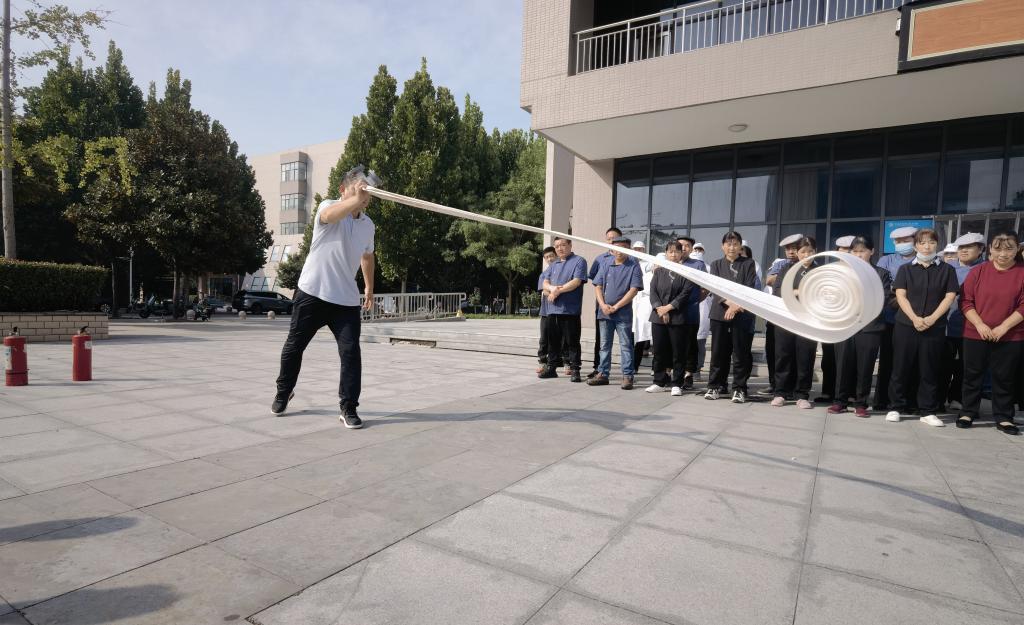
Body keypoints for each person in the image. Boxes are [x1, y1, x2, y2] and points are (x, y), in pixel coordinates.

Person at [272, 167, 374, 429]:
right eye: (357, 189)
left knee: (351, 353)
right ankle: (284, 392)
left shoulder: (368, 225)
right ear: (343, 190)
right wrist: (355, 197)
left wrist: (369, 287)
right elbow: (331, 216)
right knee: (294, 346)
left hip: (345, 301)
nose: (364, 195)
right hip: (313, 293)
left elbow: (367, 256)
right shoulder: (328, 207)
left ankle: (348, 407)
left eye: (366, 191)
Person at [887, 228, 960, 427]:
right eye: (922, 242)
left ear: (937, 244)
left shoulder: (947, 270)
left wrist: (932, 318)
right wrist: (914, 318)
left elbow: (949, 296)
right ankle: (895, 407)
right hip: (906, 325)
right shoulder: (905, 269)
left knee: (930, 368)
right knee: (901, 367)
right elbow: (900, 295)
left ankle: (927, 410)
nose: (927, 246)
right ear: (916, 245)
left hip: (934, 327)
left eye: (931, 242)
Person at [957, 231, 1024, 434]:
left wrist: (1004, 327)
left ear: (1017, 249)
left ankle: (1004, 416)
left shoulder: (1022, 272)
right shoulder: (978, 271)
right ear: (990, 250)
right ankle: (968, 411)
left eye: (1009, 249)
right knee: (972, 374)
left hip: (1011, 334)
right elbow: (966, 301)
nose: (1003, 254)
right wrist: (979, 324)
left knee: (1004, 376)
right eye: (998, 248)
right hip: (975, 332)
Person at [828, 236, 894, 417]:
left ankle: (861, 403)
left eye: (862, 251)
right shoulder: (843, 271)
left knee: (865, 366)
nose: (858, 255)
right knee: (842, 365)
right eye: (855, 251)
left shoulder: (881, 273)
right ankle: (840, 401)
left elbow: (883, 298)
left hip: (870, 326)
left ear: (871, 252)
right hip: (845, 325)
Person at [705, 231, 758, 403]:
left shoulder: (748, 263)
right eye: (728, 244)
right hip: (719, 313)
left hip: (741, 314)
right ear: (723, 246)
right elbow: (714, 287)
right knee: (718, 352)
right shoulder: (716, 264)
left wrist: (736, 307)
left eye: (735, 244)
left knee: (740, 353)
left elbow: (749, 287)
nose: (732, 247)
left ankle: (739, 388)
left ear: (740, 246)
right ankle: (715, 386)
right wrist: (730, 304)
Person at [771, 237, 821, 409]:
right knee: (783, 355)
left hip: (808, 320)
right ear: (797, 253)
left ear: (816, 251)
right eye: (803, 252)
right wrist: (798, 291)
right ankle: (780, 392)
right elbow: (777, 291)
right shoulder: (787, 269)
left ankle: (802, 394)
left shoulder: (820, 270)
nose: (806, 255)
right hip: (786, 318)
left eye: (810, 251)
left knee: (805, 356)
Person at [874, 226, 920, 411]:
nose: (902, 244)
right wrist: (896, 298)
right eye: (898, 241)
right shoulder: (886, 260)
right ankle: (881, 400)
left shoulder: (922, 260)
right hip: (889, 318)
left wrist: (902, 297)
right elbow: (880, 285)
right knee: (887, 360)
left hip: (913, 319)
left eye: (906, 241)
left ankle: (908, 401)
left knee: (910, 361)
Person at [589, 236, 644, 389]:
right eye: (617, 247)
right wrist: (603, 305)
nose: (620, 250)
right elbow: (598, 286)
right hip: (604, 313)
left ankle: (628, 376)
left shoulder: (633, 266)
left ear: (629, 249)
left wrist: (617, 306)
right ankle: (602, 374)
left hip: (623, 314)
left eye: (624, 247)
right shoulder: (605, 264)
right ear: (612, 250)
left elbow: (634, 290)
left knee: (626, 345)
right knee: (604, 345)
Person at [939, 233, 985, 410]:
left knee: (965, 367)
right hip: (946, 325)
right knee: (942, 364)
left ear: (980, 249)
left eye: (969, 247)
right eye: (961, 247)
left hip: (972, 327)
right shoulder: (946, 268)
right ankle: (939, 399)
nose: (964, 251)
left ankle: (957, 398)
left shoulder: (985, 269)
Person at [646, 241, 696, 396]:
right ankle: (659, 381)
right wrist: (660, 309)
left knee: (678, 352)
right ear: (666, 253)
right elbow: (653, 292)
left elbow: (685, 294)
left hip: (678, 317)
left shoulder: (686, 272)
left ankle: (677, 383)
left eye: (677, 251)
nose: (673, 254)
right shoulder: (659, 272)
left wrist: (668, 308)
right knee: (659, 350)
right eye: (670, 251)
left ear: (681, 253)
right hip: (658, 317)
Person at [540, 237, 588, 382]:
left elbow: (576, 281)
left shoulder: (579, 261)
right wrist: (552, 288)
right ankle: (552, 368)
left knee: (572, 342)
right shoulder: (553, 264)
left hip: (570, 310)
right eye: (557, 246)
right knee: (553, 342)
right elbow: (545, 282)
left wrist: (557, 291)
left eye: (563, 245)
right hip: (552, 310)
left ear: (570, 245)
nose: (560, 248)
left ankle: (575, 369)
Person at [761, 234, 803, 397]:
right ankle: (776, 384)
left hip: (799, 316)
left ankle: (794, 387)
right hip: (778, 313)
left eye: (794, 248)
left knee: (795, 353)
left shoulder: (807, 264)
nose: (791, 252)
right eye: (788, 249)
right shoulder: (781, 264)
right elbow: (769, 280)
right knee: (775, 351)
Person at [815, 235, 855, 403]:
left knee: (849, 359)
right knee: (829, 358)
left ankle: (850, 393)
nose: (845, 253)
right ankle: (828, 392)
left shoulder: (858, 270)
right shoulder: (829, 269)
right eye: (842, 250)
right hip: (830, 320)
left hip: (851, 321)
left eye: (849, 250)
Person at [587, 227, 622, 379]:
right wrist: (602, 302)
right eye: (609, 238)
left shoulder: (629, 258)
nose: (611, 241)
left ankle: (629, 371)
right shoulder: (600, 259)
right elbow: (595, 281)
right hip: (602, 306)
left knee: (626, 341)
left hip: (623, 307)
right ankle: (598, 368)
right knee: (601, 339)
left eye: (615, 238)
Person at [677, 236, 708, 388]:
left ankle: (688, 374)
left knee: (690, 343)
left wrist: (696, 300)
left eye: (687, 245)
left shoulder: (698, 265)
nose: (683, 248)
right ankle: (673, 373)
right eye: (680, 245)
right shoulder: (669, 262)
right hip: (672, 311)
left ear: (691, 249)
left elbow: (706, 287)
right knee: (673, 343)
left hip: (690, 311)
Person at [631, 239, 654, 372]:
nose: (638, 251)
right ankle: (633, 366)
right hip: (634, 302)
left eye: (640, 249)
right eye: (636, 249)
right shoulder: (629, 263)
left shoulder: (648, 264)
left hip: (648, 303)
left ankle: (654, 367)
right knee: (636, 334)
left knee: (648, 335)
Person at [535, 246, 558, 374]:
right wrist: (553, 293)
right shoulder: (544, 274)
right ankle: (543, 362)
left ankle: (566, 363)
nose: (550, 259)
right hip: (546, 311)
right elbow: (544, 291)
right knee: (544, 339)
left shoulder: (562, 271)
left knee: (562, 339)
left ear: (556, 255)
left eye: (551, 256)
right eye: (547, 257)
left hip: (560, 311)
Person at [691, 242, 712, 375]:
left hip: (703, 305)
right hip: (688, 305)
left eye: (700, 249)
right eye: (696, 249)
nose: (698, 251)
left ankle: (698, 368)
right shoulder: (686, 266)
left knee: (700, 340)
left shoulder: (708, 268)